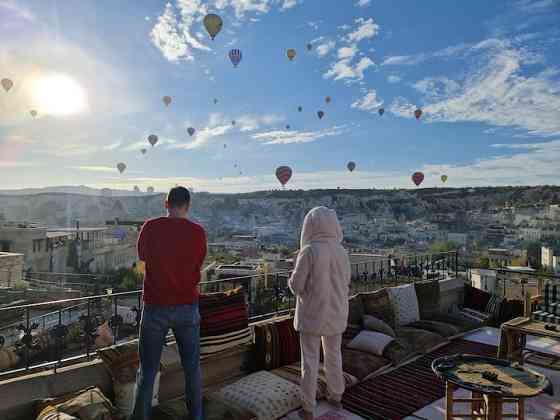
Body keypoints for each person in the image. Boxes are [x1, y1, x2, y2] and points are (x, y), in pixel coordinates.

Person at [131, 186, 207, 420]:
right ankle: (196, 416)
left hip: (156, 306)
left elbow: (142, 259)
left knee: (148, 372)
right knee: (192, 369)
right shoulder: (197, 232)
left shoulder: (151, 227)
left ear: (166, 204)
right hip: (187, 306)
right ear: (188, 205)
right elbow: (198, 263)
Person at [288, 206, 351, 420]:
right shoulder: (341, 251)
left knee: (310, 361)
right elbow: (346, 282)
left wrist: (291, 276)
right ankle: (336, 396)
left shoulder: (309, 251)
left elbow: (297, 286)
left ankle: (308, 407)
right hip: (336, 312)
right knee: (334, 355)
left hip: (312, 315)